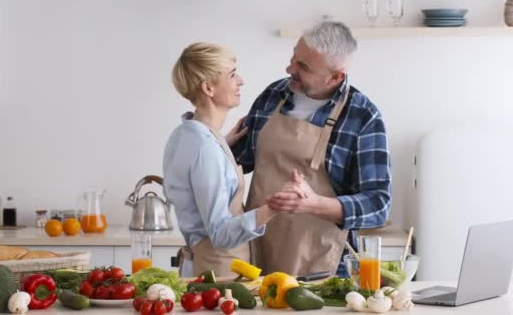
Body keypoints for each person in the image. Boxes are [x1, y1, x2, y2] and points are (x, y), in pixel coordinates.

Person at [231, 21, 392, 277]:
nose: (290, 69)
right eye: (294, 59)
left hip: (322, 267)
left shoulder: (362, 116)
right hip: (258, 250)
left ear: (336, 76)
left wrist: (313, 204)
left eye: (303, 67)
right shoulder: (272, 95)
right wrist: (213, 144)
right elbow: (239, 162)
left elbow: (378, 205)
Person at [163, 42, 279, 277]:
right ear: (208, 88)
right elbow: (221, 233)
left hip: (205, 268)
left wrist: (223, 143)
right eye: (232, 74)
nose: (241, 81)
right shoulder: (205, 148)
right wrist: (273, 209)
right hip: (218, 275)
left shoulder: (185, 134)